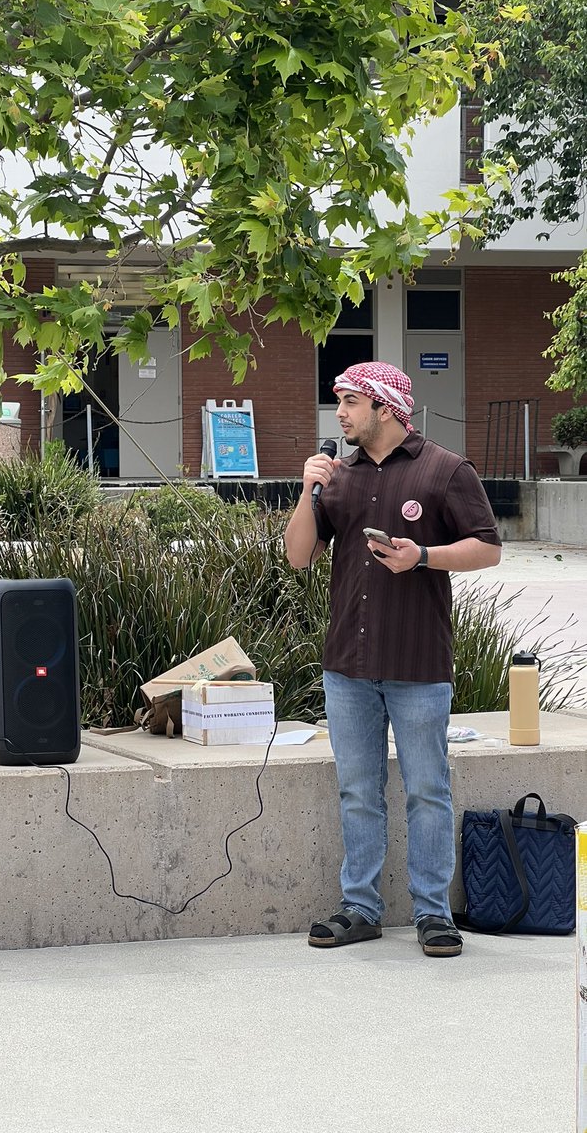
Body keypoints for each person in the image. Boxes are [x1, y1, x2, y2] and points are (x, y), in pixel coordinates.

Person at [284, 361, 502, 958]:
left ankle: (434, 914)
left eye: (351, 402)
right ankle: (360, 908)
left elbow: (488, 548)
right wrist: (307, 490)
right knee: (358, 791)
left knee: (427, 790)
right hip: (347, 666)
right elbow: (298, 556)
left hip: (417, 663)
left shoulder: (445, 469)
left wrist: (423, 556)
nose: (340, 414)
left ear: (385, 407)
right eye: (339, 402)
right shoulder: (339, 477)